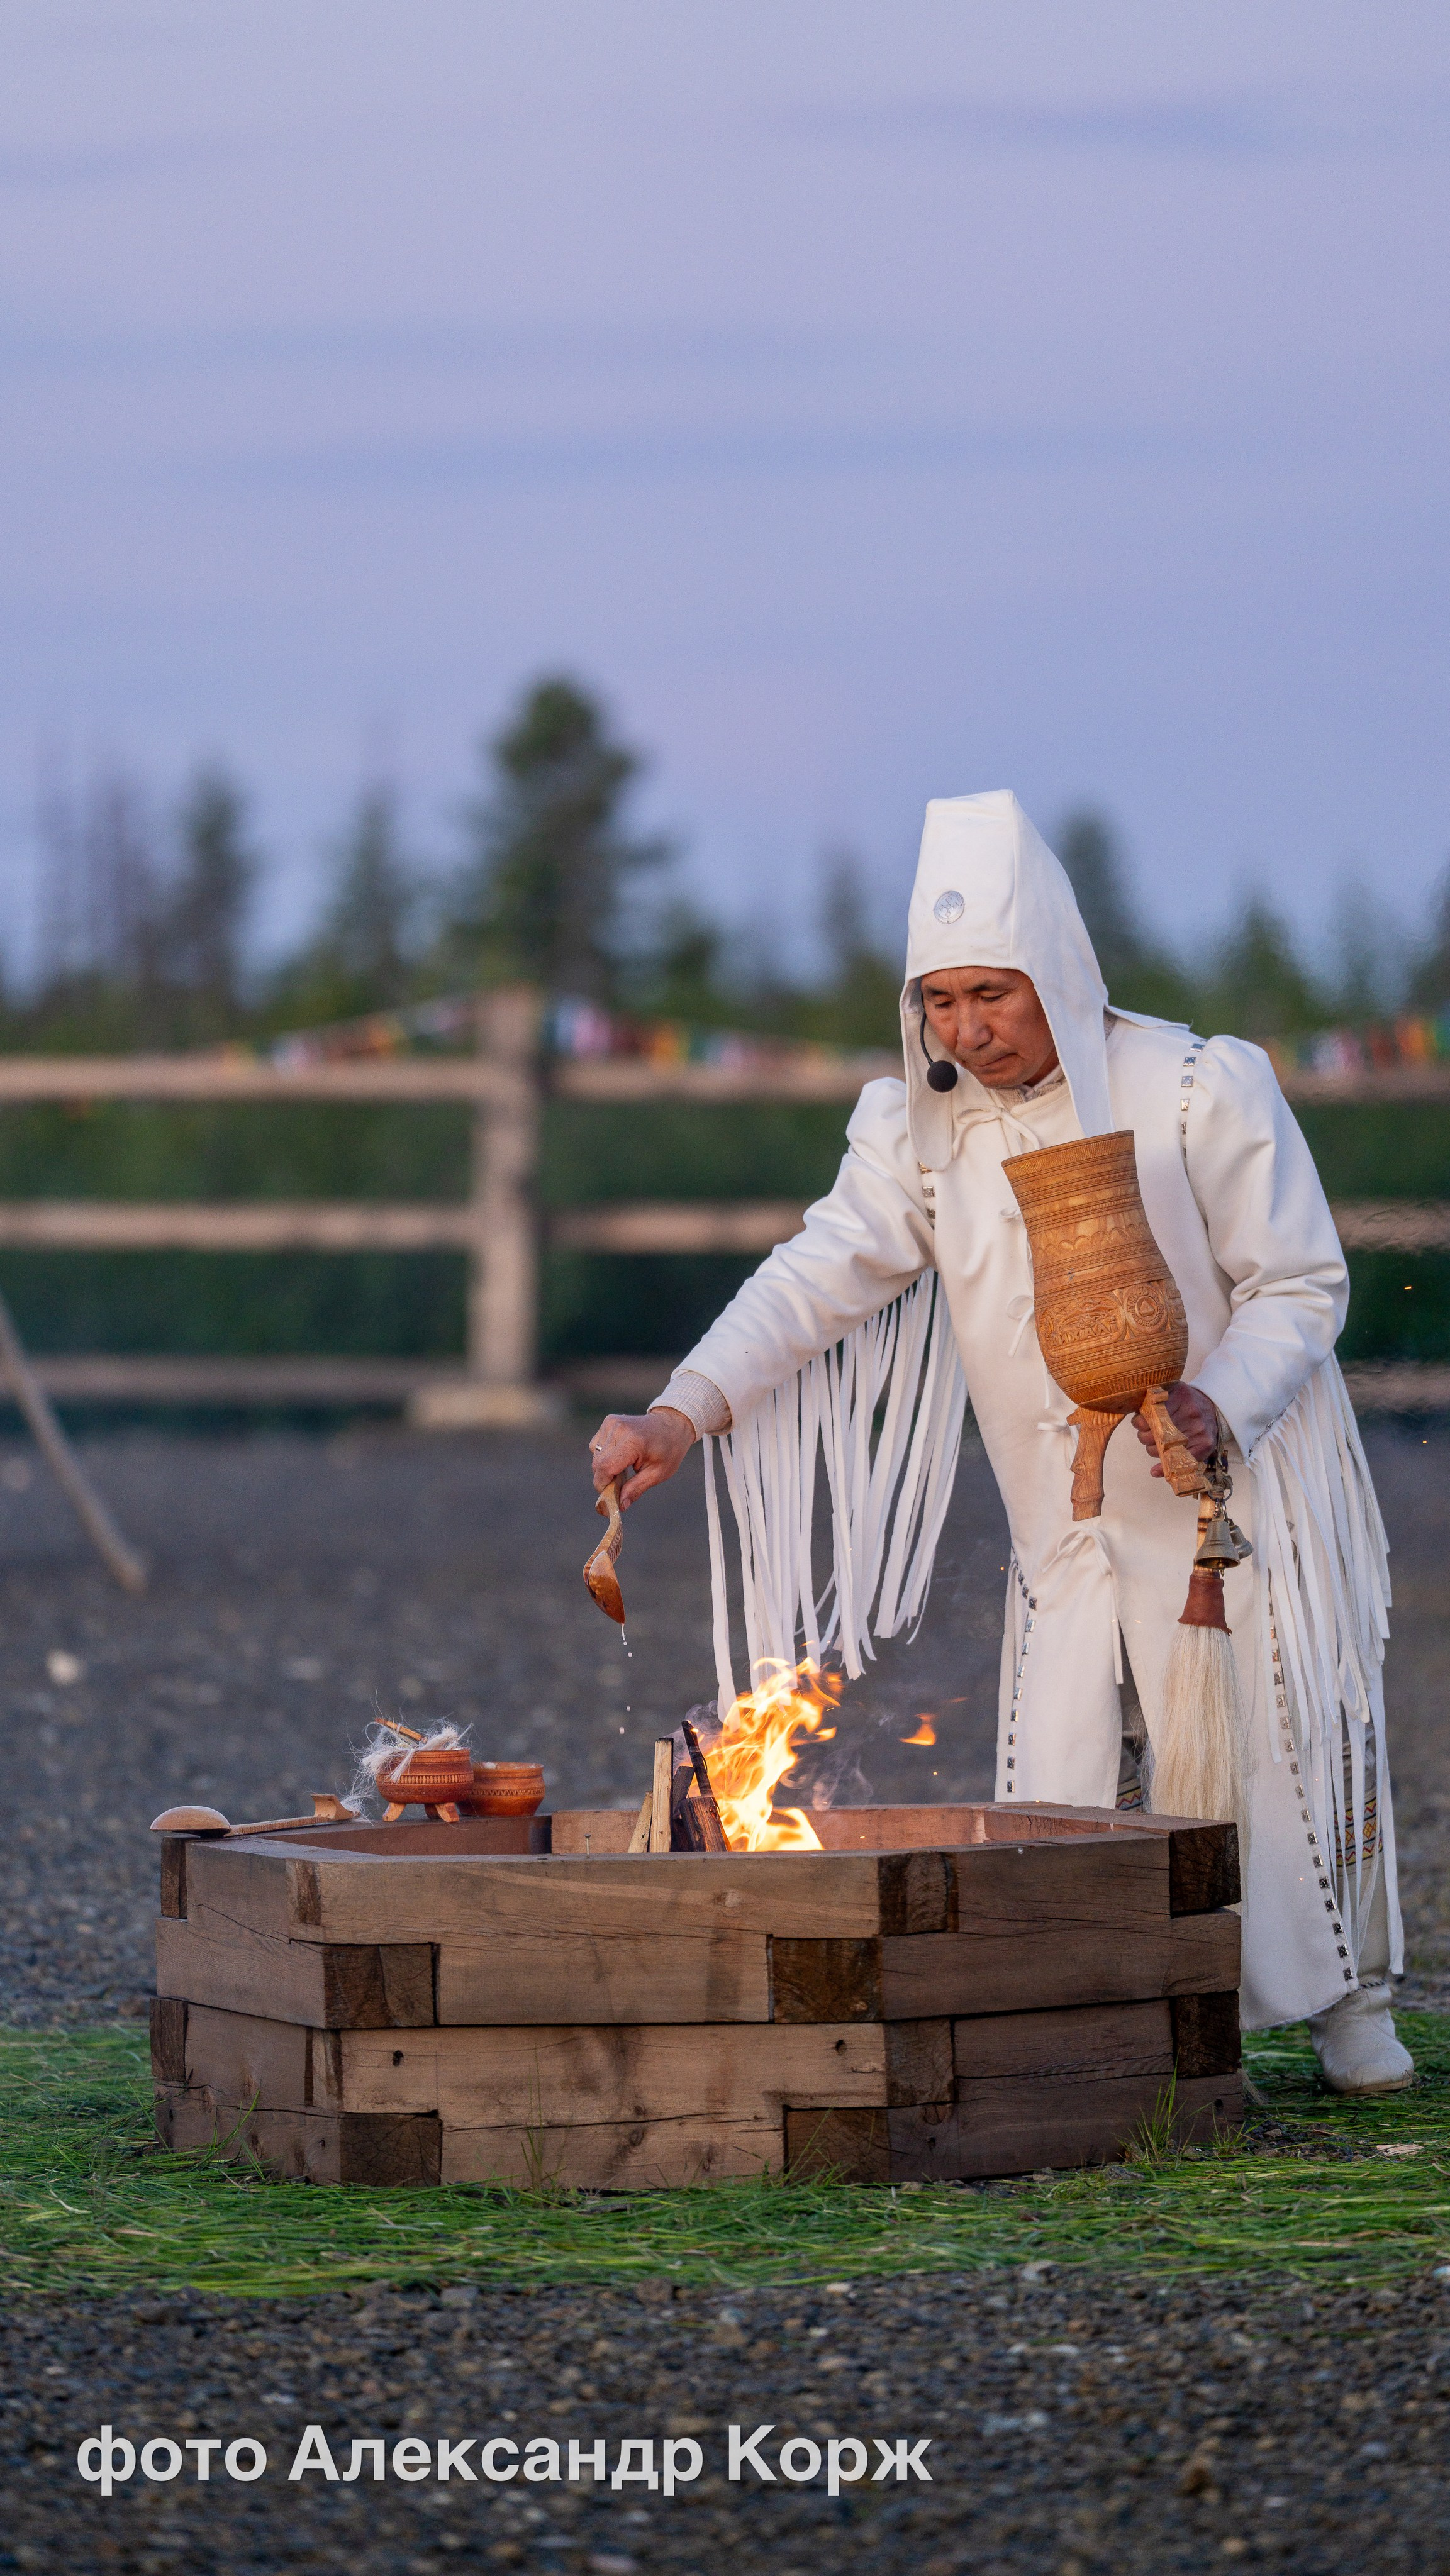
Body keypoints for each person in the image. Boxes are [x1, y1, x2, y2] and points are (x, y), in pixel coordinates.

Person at [589, 789, 1410, 2092]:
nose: (967, 1029)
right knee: (1075, 1780)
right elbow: (818, 1274)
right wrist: (682, 1405)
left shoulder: (1195, 1084)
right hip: (1066, 1525)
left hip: (1227, 1497)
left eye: (995, 993)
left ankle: (1345, 2005)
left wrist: (1217, 1401)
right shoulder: (919, 1128)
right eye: (940, 999)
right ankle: (1141, 2023)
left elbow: (1299, 1284)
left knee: (1276, 1742)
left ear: (1057, 972)